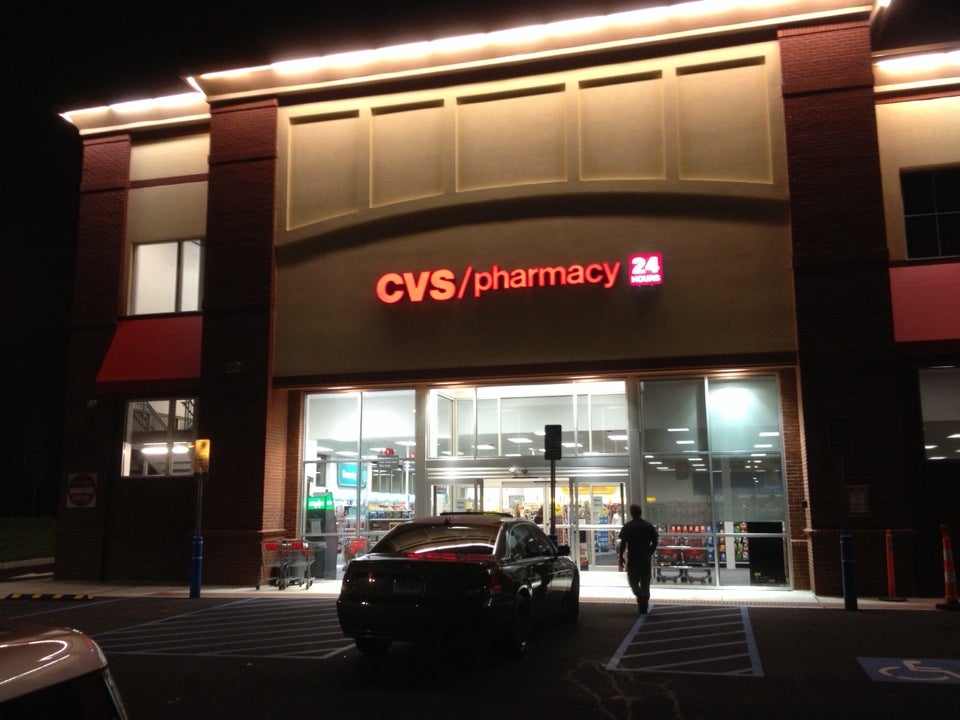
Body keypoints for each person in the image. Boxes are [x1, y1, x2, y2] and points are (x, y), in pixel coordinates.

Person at [617, 503, 658, 614]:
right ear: (641, 512)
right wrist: (650, 552)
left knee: (633, 580)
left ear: (631, 513)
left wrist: (621, 557)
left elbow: (623, 543)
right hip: (645, 557)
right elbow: (655, 541)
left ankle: (640, 595)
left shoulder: (628, 526)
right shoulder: (648, 526)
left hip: (633, 558)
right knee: (645, 581)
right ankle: (644, 604)